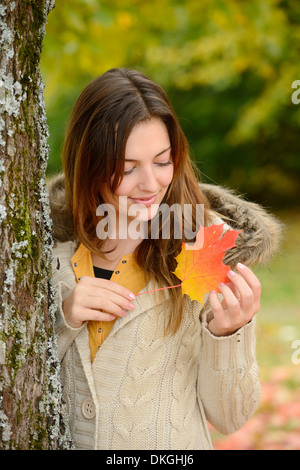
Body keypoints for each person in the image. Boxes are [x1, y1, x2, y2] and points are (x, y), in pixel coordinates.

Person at [49, 67, 282, 450]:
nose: (151, 184)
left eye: (162, 161)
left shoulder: (204, 249)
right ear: (88, 163)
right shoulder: (45, 254)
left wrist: (228, 335)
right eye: (127, 168)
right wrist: (64, 319)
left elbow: (231, 417)